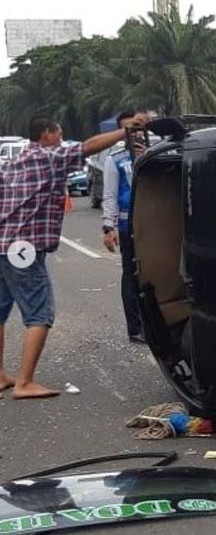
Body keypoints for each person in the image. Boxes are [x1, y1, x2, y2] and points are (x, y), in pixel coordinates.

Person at [0, 113, 149, 399]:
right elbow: (88, 146)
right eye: (59, 133)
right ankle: (24, 382)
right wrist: (123, 132)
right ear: (47, 134)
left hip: (2, 245)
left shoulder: (14, 163)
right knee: (40, 313)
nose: (61, 138)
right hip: (24, 249)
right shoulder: (48, 158)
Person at [101, 111, 146, 343]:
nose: (134, 133)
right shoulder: (115, 159)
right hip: (129, 224)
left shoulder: (152, 153)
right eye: (128, 129)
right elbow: (109, 196)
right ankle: (135, 328)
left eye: (136, 128)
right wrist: (108, 228)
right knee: (132, 275)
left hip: (154, 223)